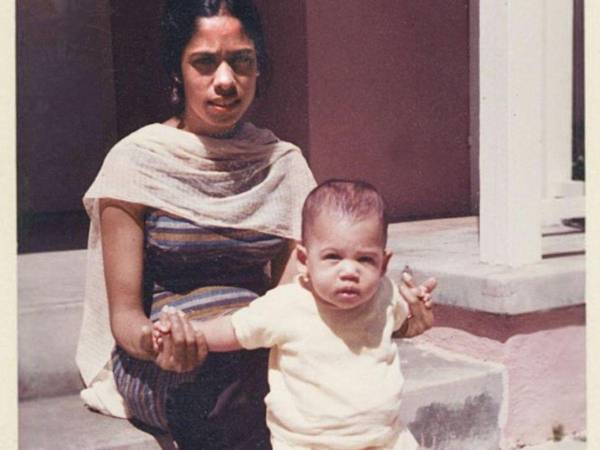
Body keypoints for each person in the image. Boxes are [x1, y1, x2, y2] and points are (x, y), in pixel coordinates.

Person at [75, 1, 435, 448]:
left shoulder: (280, 164)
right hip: (166, 362)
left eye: (241, 61)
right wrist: (161, 344)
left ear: (258, 68)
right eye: (204, 63)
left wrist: (393, 320)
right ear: (177, 71)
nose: (225, 81)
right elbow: (125, 317)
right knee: (231, 394)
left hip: (257, 345)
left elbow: (302, 291)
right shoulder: (137, 162)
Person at [154, 180, 435, 449]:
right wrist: (189, 330)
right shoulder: (287, 305)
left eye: (365, 259)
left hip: (384, 438)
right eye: (333, 257)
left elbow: (403, 325)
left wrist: (417, 313)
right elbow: (234, 330)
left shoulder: (385, 295)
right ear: (304, 260)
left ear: (384, 263)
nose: (350, 271)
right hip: (308, 443)